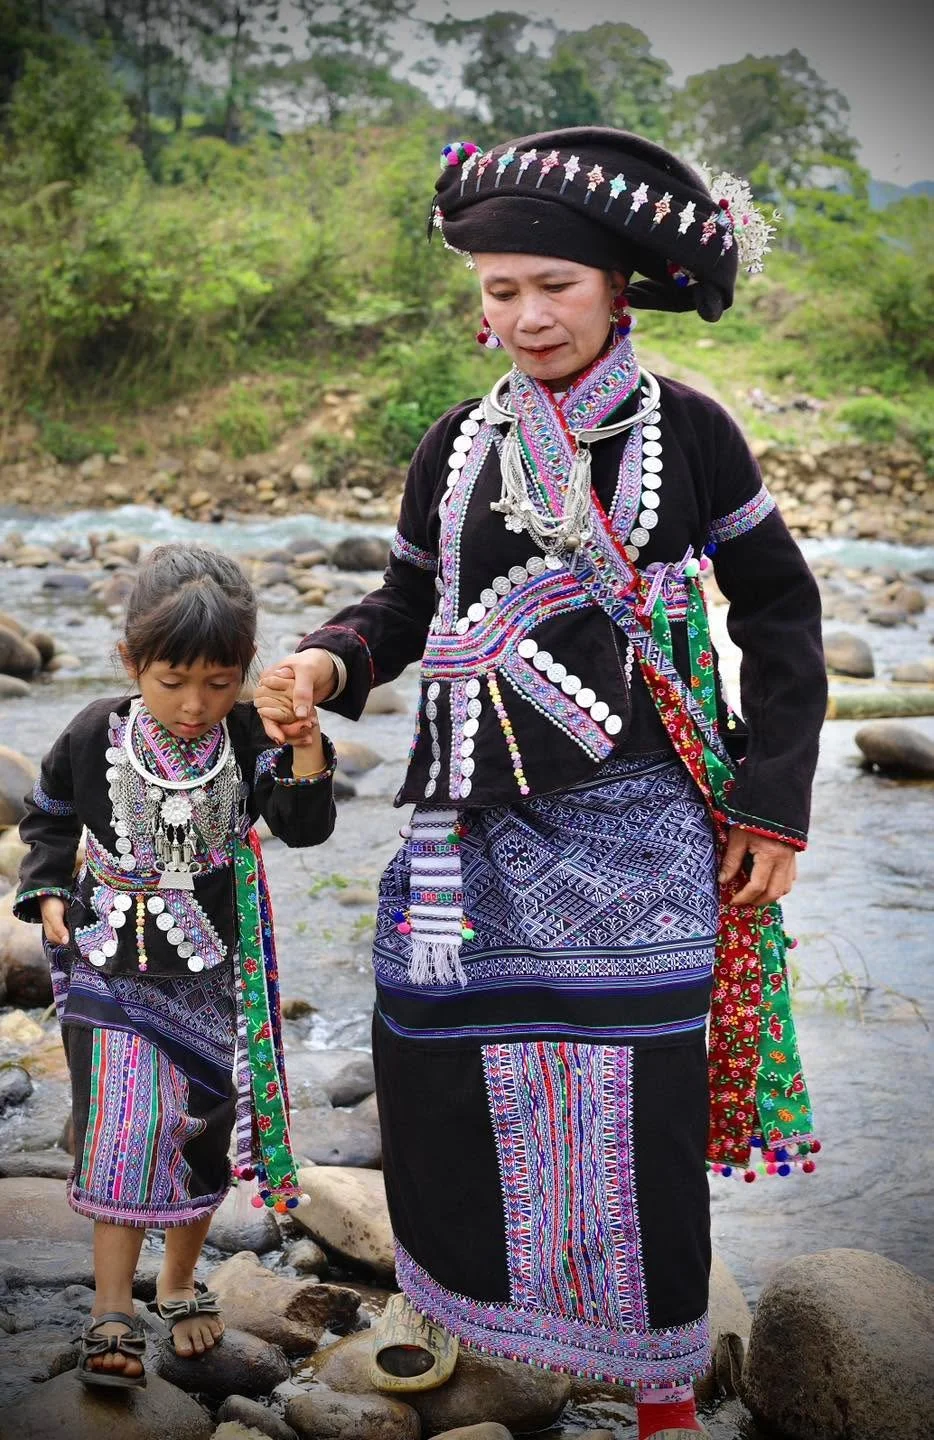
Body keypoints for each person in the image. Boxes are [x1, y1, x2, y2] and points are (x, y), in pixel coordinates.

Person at [254, 128, 826, 1438]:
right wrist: (328, 666)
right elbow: (404, 604)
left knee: (636, 1092)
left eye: (550, 287)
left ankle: (663, 1384)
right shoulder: (453, 448)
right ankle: (469, 1321)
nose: (524, 315)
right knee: (432, 1056)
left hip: (642, 829)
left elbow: (782, 614)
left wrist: (772, 802)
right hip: (467, 825)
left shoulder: (692, 435)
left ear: (616, 287)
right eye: (499, 290)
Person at [15, 545, 336, 1390]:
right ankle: (110, 1308)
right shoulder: (93, 733)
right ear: (131, 663)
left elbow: (302, 829)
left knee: (199, 1127)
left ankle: (180, 1281)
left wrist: (304, 750)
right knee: (123, 1129)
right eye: (172, 681)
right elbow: (46, 819)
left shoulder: (247, 736)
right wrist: (46, 890)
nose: (195, 705)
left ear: (245, 674)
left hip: (214, 974)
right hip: (109, 966)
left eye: (220, 682)